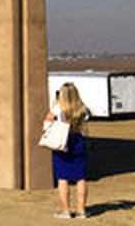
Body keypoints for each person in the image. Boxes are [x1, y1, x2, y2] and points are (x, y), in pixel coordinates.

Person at [46, 82, 91, 219]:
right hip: (77, 140)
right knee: (80, 177)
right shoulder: (82, 108)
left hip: (63, 140)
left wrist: (54, 106)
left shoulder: (58, 108)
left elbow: (48, 121)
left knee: (63, 178)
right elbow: (87, 119)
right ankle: (81, 210)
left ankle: (66, 210)